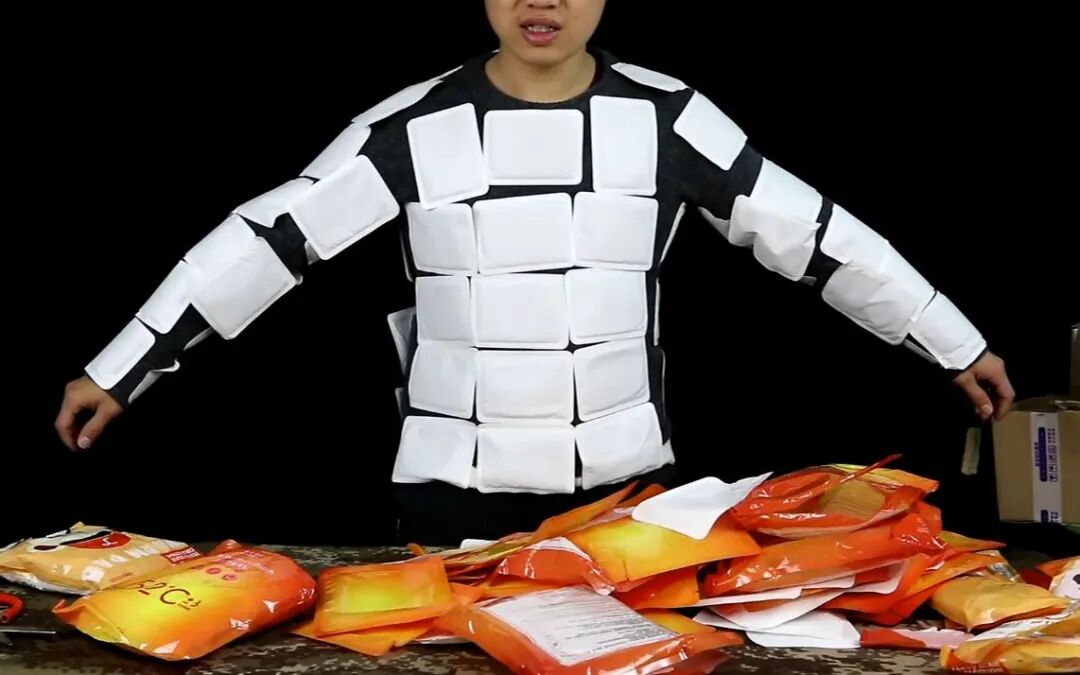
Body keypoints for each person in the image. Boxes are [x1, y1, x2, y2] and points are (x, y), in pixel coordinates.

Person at [55, 0, 1014, 543]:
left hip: (622, 490)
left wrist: (952, 340)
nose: (541, 2)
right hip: (447, 494)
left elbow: (813, 233)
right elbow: (271, 237)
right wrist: (122, 367)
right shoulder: (411, 125)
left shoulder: (669, 117)